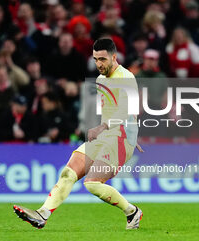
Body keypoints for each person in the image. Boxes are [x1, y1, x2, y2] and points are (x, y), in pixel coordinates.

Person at [13, 38, 144, 230]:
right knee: (68, 173)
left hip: (121, 139)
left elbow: (128, 110)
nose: (98, 64)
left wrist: (107, 128)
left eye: (103, 59)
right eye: (95, 59)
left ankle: (132, 212)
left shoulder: (126, 77)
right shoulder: (100, 80)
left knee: (92, 184)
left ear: (114, 57)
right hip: (105, 137)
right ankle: (43, 214)